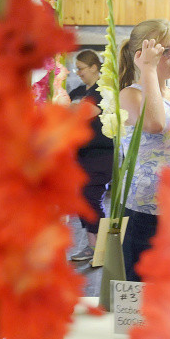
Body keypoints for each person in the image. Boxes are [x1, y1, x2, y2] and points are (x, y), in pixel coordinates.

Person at [118, 19, 170, 281]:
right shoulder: (130, 95)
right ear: (143, 56)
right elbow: (155, 123)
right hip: (144, 213)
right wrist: (148, 70)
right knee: (142, 290)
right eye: (166, 51)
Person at [68, 50, 115, 262]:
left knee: (91, 196)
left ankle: (101, 248)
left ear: (94, 67)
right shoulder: (78, 91)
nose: (78, 73)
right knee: (81, 198)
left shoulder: (102, 91)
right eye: (76, 69)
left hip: (101, 155)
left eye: (81, 68)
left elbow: (84, 113)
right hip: (81, 155)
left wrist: (71, 108)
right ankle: (92, 246)